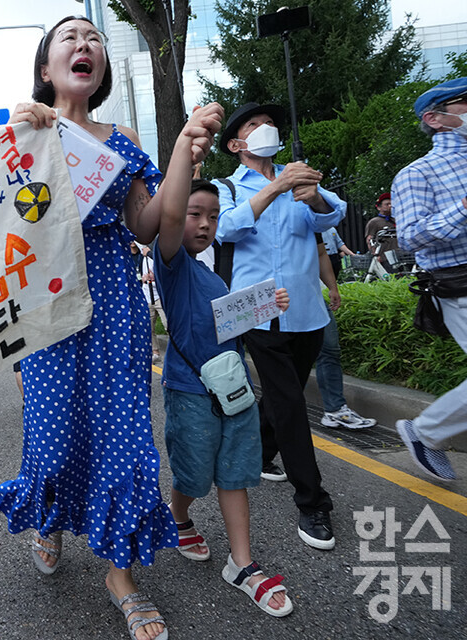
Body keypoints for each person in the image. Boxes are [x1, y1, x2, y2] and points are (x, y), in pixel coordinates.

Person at [0, 16, 223, 640]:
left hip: (114, 297)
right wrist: (20, 130)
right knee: (54, 428)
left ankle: (120, 573)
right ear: (45, 68)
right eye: (69, 37)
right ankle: (52, 515)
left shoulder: (122, 137)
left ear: (101, 65)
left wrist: (180, 151)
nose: (84, 44)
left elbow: (147, 223)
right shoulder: (22, 130)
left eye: (92, 38)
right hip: (45, 302)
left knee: (122, 427)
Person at [155, 178, 293, 617]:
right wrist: (188, 156)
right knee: (194, 476)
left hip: (233, 390)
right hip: (190, 390)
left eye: (214, 216)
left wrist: (267, 304)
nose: (205, 224)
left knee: (234, 473)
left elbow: (226, 326)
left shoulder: (212, 275)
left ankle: (242, 563)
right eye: (195, 213)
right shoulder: (171, 262)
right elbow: (170, 217)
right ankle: (178, 517)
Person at [215, 102, 345, 551]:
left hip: (307, 308)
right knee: (290, 401)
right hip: (257, 309)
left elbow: (331, 218)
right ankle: (314, 503)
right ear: (237, 144)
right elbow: (225, 229)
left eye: (269, 123)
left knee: (283, 392)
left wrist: (314, 195)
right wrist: (276, 189)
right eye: (254, 125)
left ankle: (266, 451)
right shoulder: (228, 185)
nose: (266, 128)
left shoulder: (297, 177)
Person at [392, 77, 467, 482]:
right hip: (459, 284)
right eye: (465, 102)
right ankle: (425, 432)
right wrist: (464, 208)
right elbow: (410, 235)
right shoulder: (416, 174)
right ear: (435, 118)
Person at [315, 235, 376, 430]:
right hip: (276, 300)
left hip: (312, 296)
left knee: (330, 350)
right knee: (288, 358)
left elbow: (320, 253)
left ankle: (334, 410)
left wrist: (333, 287)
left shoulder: (308, 215)